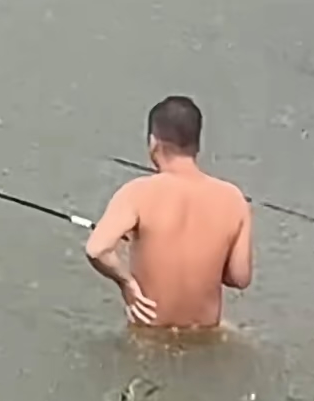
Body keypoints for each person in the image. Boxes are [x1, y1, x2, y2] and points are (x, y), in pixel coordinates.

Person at [85, 96, 253, 329]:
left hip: (150, 334)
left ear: (154, 143)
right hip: (204, 335)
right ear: (197, 145)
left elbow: (97, 250)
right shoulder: (234, 199)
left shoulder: (137, 192)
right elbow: (239, 278)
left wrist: (127, 283)